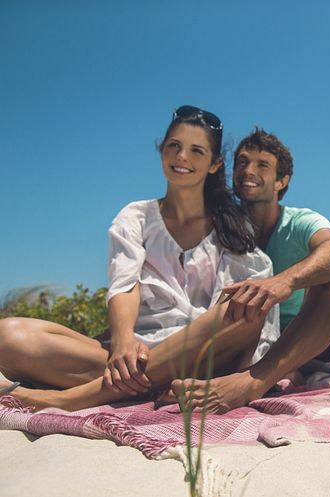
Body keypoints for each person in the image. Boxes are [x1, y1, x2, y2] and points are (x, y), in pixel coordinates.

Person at [0, 106, 279, 412]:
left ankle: (69, 398)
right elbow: (125, 283)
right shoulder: (136, 216)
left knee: (245, 308)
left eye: (196, 151)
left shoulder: (233, 228)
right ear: (162, 152)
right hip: (137, 353)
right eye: (174, 146)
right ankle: (150, 383)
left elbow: (246, 317)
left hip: (205, 356)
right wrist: (122, 343)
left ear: (214, 164)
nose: (182, 157)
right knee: (9, 336)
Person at [169, 128, 330, 411]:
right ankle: (273, 374)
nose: (248, 170)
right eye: (242, 163)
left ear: (282, 181)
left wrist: (283, 282)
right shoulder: (224, 227)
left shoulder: (301, 221)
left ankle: (254, 382)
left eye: (262, 165)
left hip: (316, 341)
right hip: (253, 343)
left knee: (329, 277)